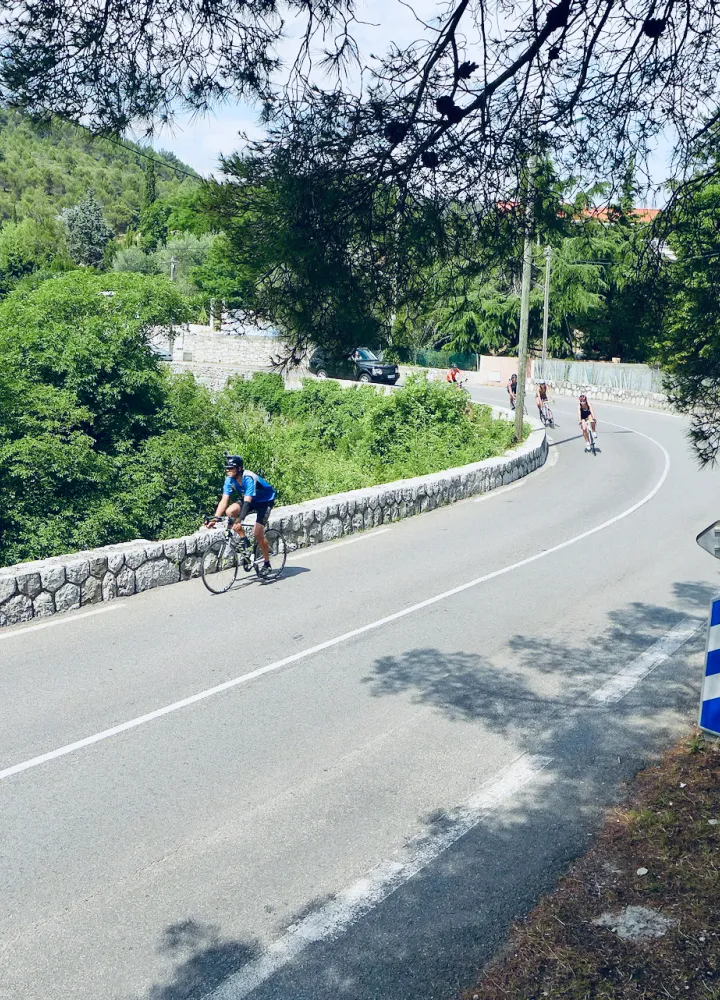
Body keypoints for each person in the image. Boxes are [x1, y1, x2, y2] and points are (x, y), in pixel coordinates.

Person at [206, 456, 277, 575]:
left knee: (258, 533)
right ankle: (245, 540)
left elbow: (247, 502)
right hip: (251, 499)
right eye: (227, 469)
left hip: (265, 501)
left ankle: (267, 563)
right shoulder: (230, 479)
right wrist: (215, 518)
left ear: (239, 468)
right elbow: (224, 500)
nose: (228, 471)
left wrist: (239, 520)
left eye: (231, 469)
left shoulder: (248, 478)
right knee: (230, 511)